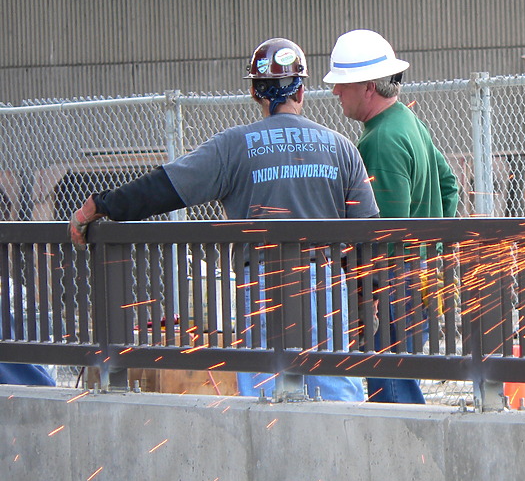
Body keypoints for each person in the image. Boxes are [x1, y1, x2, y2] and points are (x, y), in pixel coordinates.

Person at [68, 38, 379, 401]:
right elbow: (365, 235)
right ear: (302, 90)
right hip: (325, 283)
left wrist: (99, 204)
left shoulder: (233, 147)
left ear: (254, 91)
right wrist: (365, 301)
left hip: (263, 284)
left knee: (266, 393)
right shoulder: (340, 147)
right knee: (337, 387)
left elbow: (163, 187)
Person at [325, 29, 459, 404]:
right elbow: (449, 186)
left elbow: (386, 230)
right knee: (404, 382)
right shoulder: (409, 122)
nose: (336, 92)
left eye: (343, 84)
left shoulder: (379, 140)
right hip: (420, 278)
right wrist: (430, 246)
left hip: (393, 285)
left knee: (392, 391)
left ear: (368, 87)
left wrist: (372, 290)